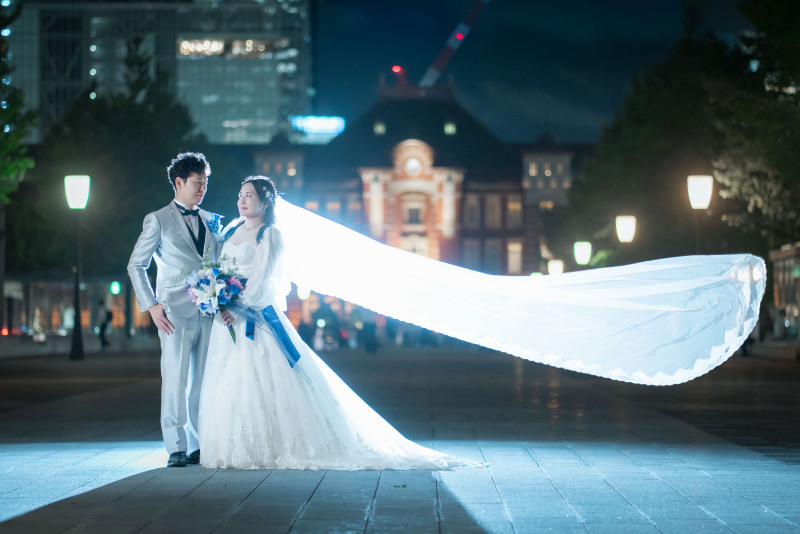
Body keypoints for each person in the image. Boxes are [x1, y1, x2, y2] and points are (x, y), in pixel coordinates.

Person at [199, 177, 482, 470]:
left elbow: (261, 280)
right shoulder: (231, 230)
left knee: (264, 382)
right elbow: (218, 268)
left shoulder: (270, 235)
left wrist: (237, 305)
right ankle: (230, 447)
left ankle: (272, 446)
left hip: (253, 318)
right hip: (226, 320)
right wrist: (216, 299)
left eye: (249, 195)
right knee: (230, 381)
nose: (242, 200)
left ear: (266, 201)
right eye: (240, 195)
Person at [128, 152, 222, 468]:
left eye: (206, 183)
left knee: (203, 381)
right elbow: (135, 264)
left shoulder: (212, 220)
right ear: (179, 182)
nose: (202, 189)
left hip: (209, 310)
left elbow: (218, 264)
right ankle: (176, 447)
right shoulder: (157, 219)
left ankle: (198, 445)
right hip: (172, 312)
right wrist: (152, 305)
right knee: (175, 379)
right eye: (197, 183)